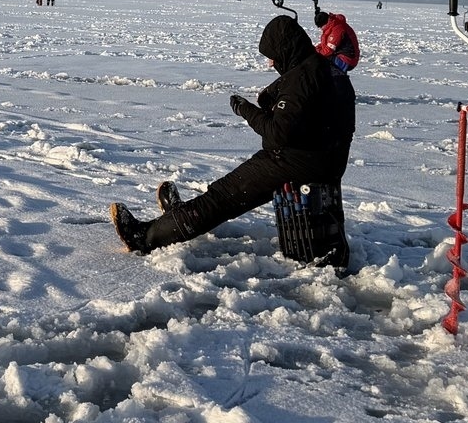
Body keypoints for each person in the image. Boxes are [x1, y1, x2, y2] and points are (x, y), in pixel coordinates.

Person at [111, 15, 354, 270]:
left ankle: (144, 238)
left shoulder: (302, 78)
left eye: (273, 56)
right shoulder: (327, 69)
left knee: (221, 198)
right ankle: (179, 218)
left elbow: (277, 133)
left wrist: (246, 110)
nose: (271, 63)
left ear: (286, 49)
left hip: (294, 161)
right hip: (329, 162)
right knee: (221, 194)